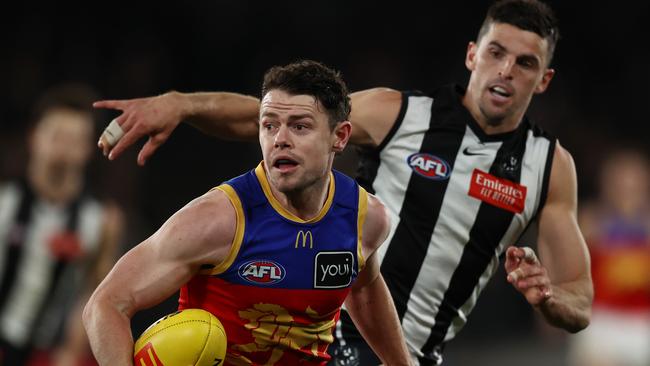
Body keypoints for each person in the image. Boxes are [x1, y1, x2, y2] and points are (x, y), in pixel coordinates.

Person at [93, 0, 594, 364]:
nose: (504, 71)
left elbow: (580, 301)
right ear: (472, 55)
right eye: (495, 52)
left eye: (525, 62)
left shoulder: (549, 168)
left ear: (543, 79)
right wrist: (183, 105)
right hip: (335, 340)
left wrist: (550, 295)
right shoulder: (400, 114)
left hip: (413, 350)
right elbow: (284, 116)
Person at [82, 60, 412, 366]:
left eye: (299, 127)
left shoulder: (365, 218)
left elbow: (364, 287)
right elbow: (106, 304)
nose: (280, 140)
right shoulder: (217, 220)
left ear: (339, 137)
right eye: (269, 126)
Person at [0, 84, 123, 365]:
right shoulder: (4, 200)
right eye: (57, 135)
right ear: (34, 137)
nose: (64, 147)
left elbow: (94, 292)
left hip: (49, 354)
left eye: (75, 139)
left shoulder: (103, 219)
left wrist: (70, 351)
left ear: (89, 148)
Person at [567, 150, 650, 366]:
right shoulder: (591, 220)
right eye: (621, 184)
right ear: (608, 186)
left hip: (642, 322)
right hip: (602, 321)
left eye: (633, 184)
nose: (627, 191)